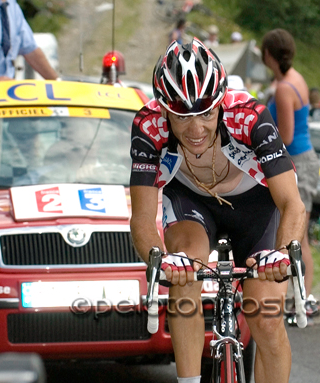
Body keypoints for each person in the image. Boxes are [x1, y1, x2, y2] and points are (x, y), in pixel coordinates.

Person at [129, 38, 305, 383]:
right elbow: (141, 216)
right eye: (182, 116)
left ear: (222, 102)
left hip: (255, 203)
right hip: (191, 202)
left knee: (265, 316)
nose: (196, 130)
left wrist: (282, 254)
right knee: (185, 267)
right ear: (164, 109)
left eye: (207, 113)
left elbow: (291, 203)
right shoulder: (148, 126)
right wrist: (159, 258)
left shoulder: (250, 116)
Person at [261, 28, 320, 320]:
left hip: (296, 161)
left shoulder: (284, 88)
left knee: (299, 235)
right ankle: (301, 296)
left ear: (267, 54)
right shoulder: (293, 79)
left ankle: (304, 297)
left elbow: (283, 134)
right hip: (303, 159)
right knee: (297, 232)